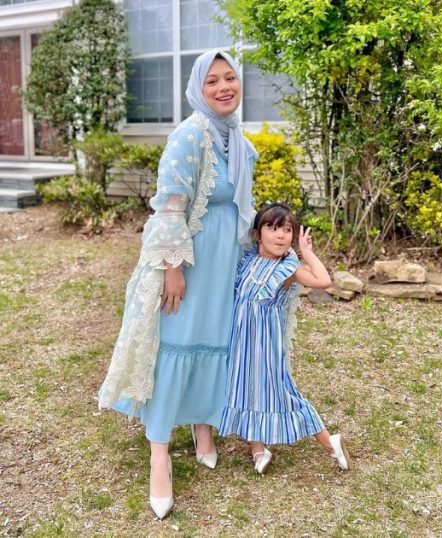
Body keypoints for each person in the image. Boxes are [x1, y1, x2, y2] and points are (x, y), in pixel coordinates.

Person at [97, 50, 258, 519]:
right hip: (190, 262)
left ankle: (203, 426)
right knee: (178, 342)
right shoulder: (189, 136)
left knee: (215, 342)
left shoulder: (239, 140)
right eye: (213, 81)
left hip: (225, 262)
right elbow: (169, 206)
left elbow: (244, 209)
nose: (225, 87)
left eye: (231, 78)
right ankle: (159, 457)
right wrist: (172, 267)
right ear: (197, 88)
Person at [217, 203, 351, 474]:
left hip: (266, 346)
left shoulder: (288, 269)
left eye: (287, 230)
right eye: (273, 228)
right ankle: (258, 447)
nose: (280, 235)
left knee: (282, 391)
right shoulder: (247, 261)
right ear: (258, 234)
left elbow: (323, 280)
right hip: (241, 344)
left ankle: (330, 442)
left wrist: (307, 252)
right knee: (247, 389)